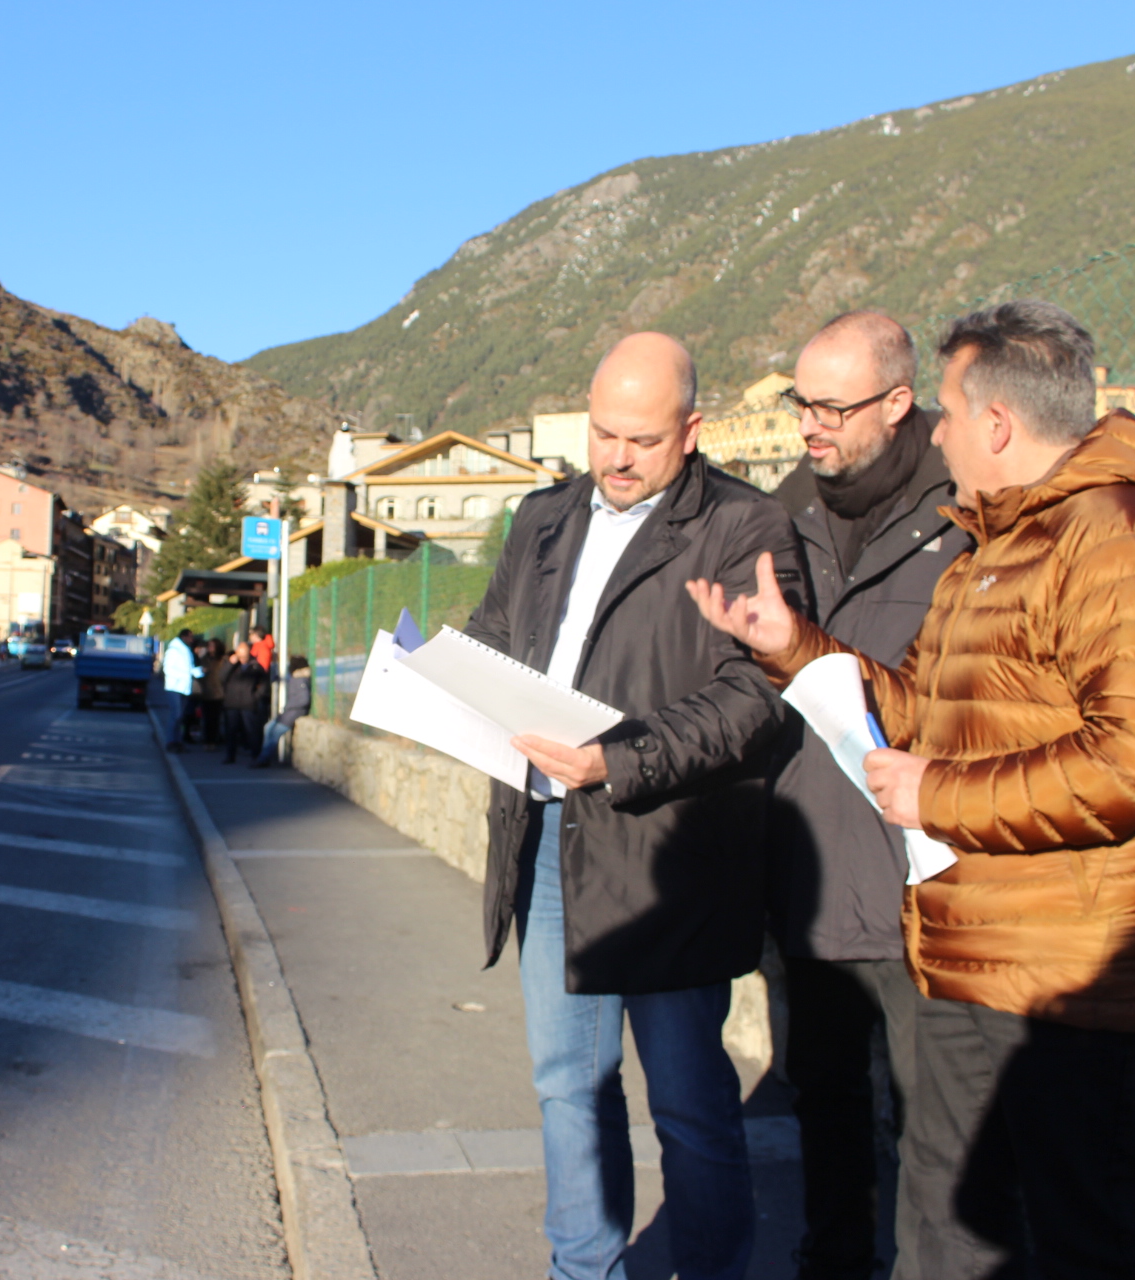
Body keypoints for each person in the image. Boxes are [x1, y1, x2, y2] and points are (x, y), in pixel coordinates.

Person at [690, 300, 1135, 1280]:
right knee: (949, 1211)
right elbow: (916, 705)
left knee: (1084, 1231)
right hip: (971, 947)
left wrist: (942, 795)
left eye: (943, 409)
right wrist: (793, 647)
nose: (935, 432)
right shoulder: (996, 549)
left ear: (998, 424)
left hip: (1075, 967)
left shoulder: (1125, 541)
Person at [464, 331, 804, 1280]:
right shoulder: (541, 517)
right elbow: (496, 635)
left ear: (691, 431)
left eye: (641, 441)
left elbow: (753, 699)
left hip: (671, 861)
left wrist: (615, 762)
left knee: (692, 1106)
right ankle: (585, 1271)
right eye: (602, 433)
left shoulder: (746, 529)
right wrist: (449, 682)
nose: (614, 458)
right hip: (544, 843)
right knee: (567, 1086)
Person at [764, 312, 972, 1280]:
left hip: (929, 881)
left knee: (940, 1135)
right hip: (810, 866)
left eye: (832, 406)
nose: (810, 424)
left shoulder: (969, 506)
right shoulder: (785, 507)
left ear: (898, 403)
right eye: (800, 400)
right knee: (826, 1105)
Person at [250, 654, 311, 768]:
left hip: (292, 713)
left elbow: (304, 700)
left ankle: (263, 759)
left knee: (274, 735)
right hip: (286, 713)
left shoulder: (301, 680)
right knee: (268, 728)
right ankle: (264, 756)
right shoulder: (294, 678)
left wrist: (289, 706)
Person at [219, 640, 267, 764]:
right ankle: (230, 756)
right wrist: (230, 663)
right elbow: (221, 677)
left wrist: (255, 696)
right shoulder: (231, 664)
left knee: (252, 730)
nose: (241, 657)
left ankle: (255, 755)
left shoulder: (255, 665)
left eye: (243, 653)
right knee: (231, 731)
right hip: (232, 703)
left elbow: (264, 683)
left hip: (248, 702)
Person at [160, 628, 198, 752]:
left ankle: (177, 741)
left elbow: (188, 669)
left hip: (182, 687)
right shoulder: (175, 650)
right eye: (190, 637)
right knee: (175, 715)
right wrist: (186, 675)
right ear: (184, 637)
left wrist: (198, 672)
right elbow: (168, 669)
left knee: (179, 716)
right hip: (174, 687)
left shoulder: (184, 650)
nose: (192, 640)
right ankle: (171, 741)